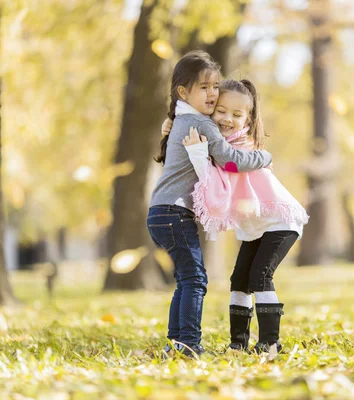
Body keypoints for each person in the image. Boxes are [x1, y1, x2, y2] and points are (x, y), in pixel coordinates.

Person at [163, 79, 308, 353]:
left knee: (260, 276)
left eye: (237, 115)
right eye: (221, 111)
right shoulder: (217, 141)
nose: (227, 119)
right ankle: (238, 344)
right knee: (239, 280)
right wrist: (172, 125)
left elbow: (222, 171)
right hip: (256, 227)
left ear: (247, 120)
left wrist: (198, 153)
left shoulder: (240, 146)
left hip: (279, 222)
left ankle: (270, 343)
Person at [147, 52, 273, 357]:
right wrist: (264, 157)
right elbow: (230, 160)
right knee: (195, 279)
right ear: (183, 92)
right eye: (204, 87)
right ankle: (188, 343)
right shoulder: (199, 123)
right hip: (175, 212)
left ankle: (177, 343)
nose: (212, 93)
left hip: (162, 212)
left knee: (185, 279)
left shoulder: (185, 118)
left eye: (215, 86)